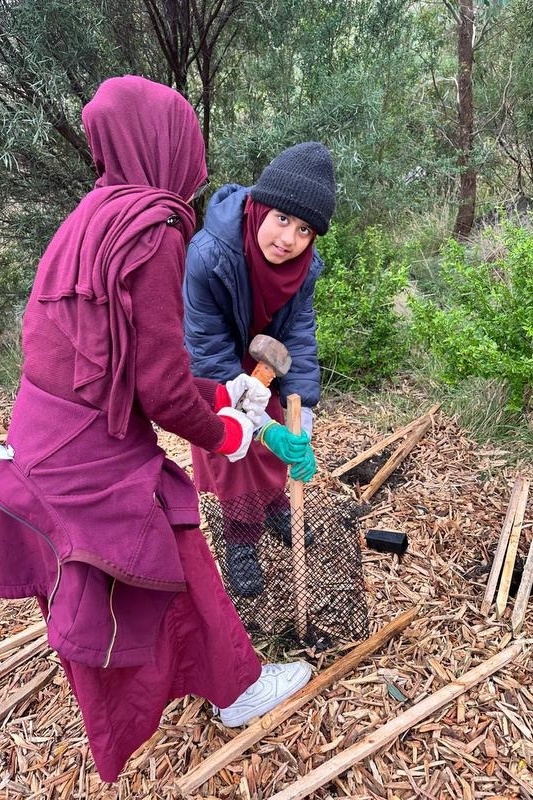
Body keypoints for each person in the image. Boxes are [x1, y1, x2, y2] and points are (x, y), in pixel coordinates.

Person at [0, 76, 313, 783]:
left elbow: (114, 353)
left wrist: (229, 389)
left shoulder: (93, 216)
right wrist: (229, 433)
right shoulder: (156, 227)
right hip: (88, 448)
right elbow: (160, 388)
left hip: (49, 428)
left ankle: (230, 682)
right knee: (143, 554)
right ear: (169, 144)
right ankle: (231, 690)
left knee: (160, 552)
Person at [184, 141, 336, 597]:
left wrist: (301, 420)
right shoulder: (208, 254)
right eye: (282, 218)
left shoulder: (304, 270)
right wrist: (259, 424)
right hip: (211, 365)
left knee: (273, 449)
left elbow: (300, 338)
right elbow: (207, 355)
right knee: (233, 448)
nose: (288, 239)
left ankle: (274, 509)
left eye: (305, 229)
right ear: (259, 207)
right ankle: (240, 541)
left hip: (263, 361)